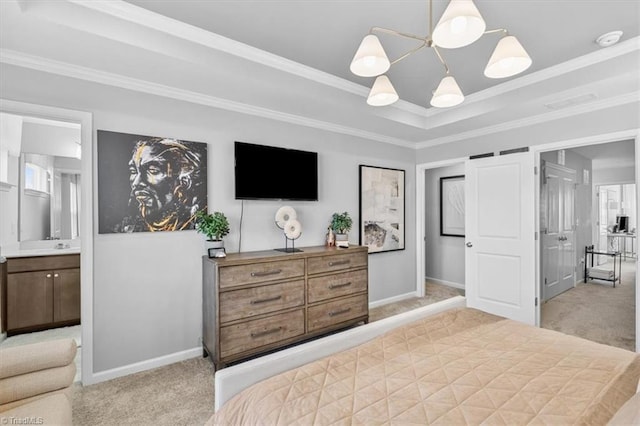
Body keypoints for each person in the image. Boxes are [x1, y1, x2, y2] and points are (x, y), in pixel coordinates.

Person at [117, 137, 206, 232]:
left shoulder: (199, 224)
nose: (136, 183)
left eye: (153, 170)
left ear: (184, 180)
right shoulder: (129, 225)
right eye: (133, 171)